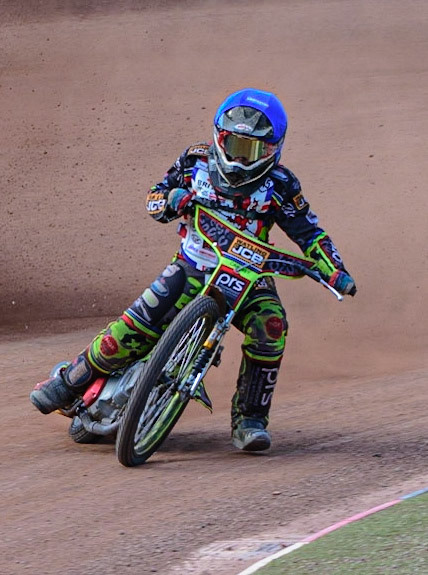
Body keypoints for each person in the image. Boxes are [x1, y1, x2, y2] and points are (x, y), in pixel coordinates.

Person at [30, 88, 356, 452]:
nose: (239, 156)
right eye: (233, 143)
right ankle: (69, 383)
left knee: (271, 326)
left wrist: (335, 270)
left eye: (251, 149)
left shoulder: (281, 185)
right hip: (193, 264)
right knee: (132, 326)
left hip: (251, 278)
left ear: (272, 149)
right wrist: (169, 201)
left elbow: (309, 232)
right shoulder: (195, 160)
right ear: (219, 136)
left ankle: (250, 421)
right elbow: (156, 195)